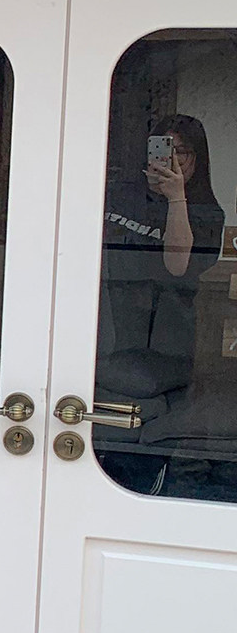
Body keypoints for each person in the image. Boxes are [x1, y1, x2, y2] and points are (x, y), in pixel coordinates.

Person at [96, 114, 227, 493]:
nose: (173, 160)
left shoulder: (206, 212)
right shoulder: (119, 195)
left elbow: (177, 264)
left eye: (182, 151)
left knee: (153, 435)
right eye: (164, 149)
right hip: (109, 332)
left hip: (167, 341)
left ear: (197, 159)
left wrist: (176, 199)